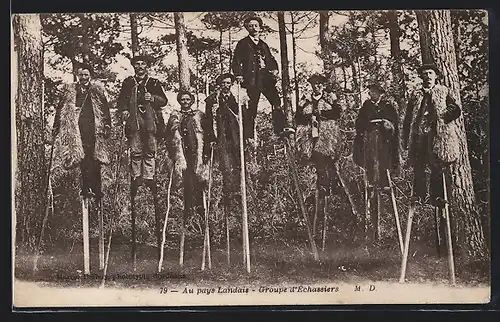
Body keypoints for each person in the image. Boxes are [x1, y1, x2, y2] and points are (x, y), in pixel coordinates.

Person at [402, 63, 461, 207]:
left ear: (436, 76)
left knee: (436, 165)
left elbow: (456, 109)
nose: (428, 76)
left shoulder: (443, 92)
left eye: (430, 73)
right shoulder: (416, 94)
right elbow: (408, 117)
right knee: (419, 165)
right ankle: (418, 195)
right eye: (425, 73)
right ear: (421, 76)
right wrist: (405, 138)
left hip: (436, 136)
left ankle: (437, 197)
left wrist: (443, 117)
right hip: (419, 135)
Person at [53, 62, 112, 200]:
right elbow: (60, 110)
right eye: (81, 75)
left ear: (90, 75)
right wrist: (56, 127)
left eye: (86, 74)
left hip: (94, 129)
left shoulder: (97, 91)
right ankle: (85, 189)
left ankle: (97, 190)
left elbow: (105, 110)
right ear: (77, 75)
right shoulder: (70, 91)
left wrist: (107, 126)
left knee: (95, 158)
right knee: (82, 158)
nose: (84, 77)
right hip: (77, 130)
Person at [231, 15, 290, 143]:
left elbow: (271, 60)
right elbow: (235, 61)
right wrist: (239, 75)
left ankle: (280, 129)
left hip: (266, 79)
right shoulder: (243, 44)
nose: (254, 28)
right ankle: (249, 137)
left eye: (256, 25)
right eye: (251, 26)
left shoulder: (264, 45)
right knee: (252, 108)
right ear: (247, 28)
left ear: (260, 27)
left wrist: (274, 71)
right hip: (252, 80)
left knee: (276, 102)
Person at [116, 54, 168, 193]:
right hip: (134, 120)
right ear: (134, 66)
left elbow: (164, 100)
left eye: (143, 64)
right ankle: (136, 177)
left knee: (150, 149)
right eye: (137, 64)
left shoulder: (154, 83)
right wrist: (124, 110)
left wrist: (153, 98)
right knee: (136, 149)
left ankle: (149, 178)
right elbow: (121, 101)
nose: (140, 67)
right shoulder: (128, 83)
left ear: (147, 66)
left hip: (151, 121)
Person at [295, 73, 343, 197]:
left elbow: (338, 113)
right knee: (316, 160)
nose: (317, 86)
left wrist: (322, 114)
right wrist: (309, 117)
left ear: (323, 85)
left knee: (327, 158)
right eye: (314, 84)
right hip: (310, 135)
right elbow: (298, 117)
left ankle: (332, 187)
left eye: (319, 84)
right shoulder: (305, 100)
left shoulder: (329, 98)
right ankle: (320, 188)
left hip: (327, 135)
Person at [353, 83, 400, 190]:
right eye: (371, 91)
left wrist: (386, 124)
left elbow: (394, 123)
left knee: (384, 159)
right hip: (370, 137)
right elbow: (359, 123)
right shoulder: (366, 107)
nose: (373, 94)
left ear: (380, 94)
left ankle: (385, 182)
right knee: (370, 158)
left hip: (384, 138)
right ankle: (371, 181)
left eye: (376, 92)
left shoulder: (388, 106)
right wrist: (364, 128)